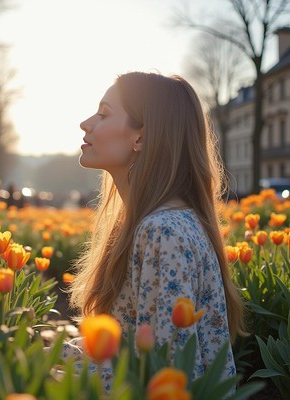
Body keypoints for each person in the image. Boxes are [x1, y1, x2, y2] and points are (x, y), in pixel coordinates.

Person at [63, 72, 245, 391]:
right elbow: (133, 347)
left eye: (104, 114)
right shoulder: (152, 221)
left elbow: (168, 373)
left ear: (141, 138)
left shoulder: (163, 231)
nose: (86, 123)